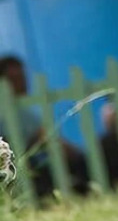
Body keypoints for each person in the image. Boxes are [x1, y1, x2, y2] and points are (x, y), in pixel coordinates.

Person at [0, 55, 90, 197]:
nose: (22, 83)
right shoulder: (14, 113)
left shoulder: (24, 111)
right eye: (15, 79)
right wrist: (77, 154)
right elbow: (46, 138)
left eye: (22, 77)